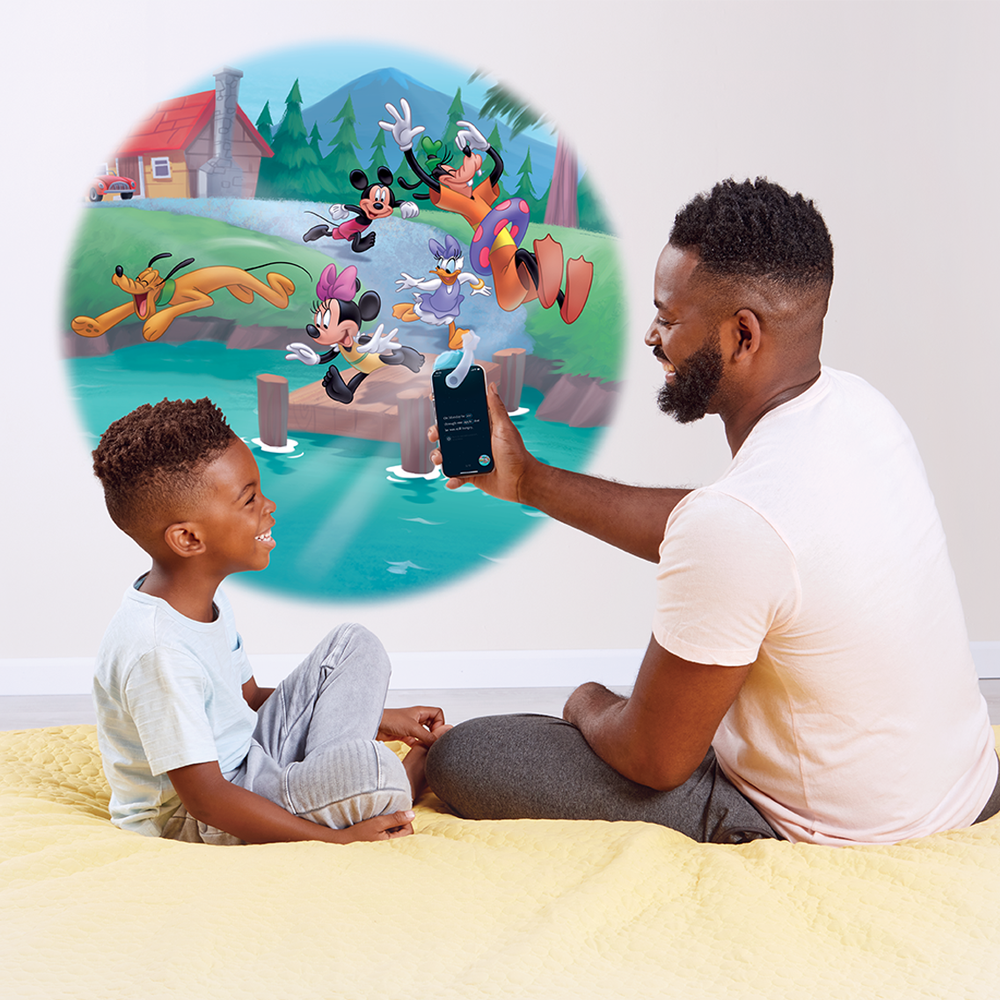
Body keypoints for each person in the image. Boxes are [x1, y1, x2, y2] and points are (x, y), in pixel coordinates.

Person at [425, 177, 1000, 847]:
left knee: (467, 758)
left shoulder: (737, 524)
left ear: (743, 335)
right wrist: (525, 480)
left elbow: (654, 759)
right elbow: (729, 528)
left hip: (844, 831)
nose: (651, 335)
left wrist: (585, 698)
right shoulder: (860, 409)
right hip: (964, 787)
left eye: (668, 317)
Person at [91, 397, 450, 845]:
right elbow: (207, 799)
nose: (269, 504)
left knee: (354, 643)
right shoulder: (158, 650)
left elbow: (250, 698)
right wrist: (333, 841)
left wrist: (378, 716)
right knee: (370, 772)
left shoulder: (202, 601)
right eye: (249, 499)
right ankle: (406, 778)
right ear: (188, 538)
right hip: (198, 817)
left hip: (251, 760)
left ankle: (335, 779)